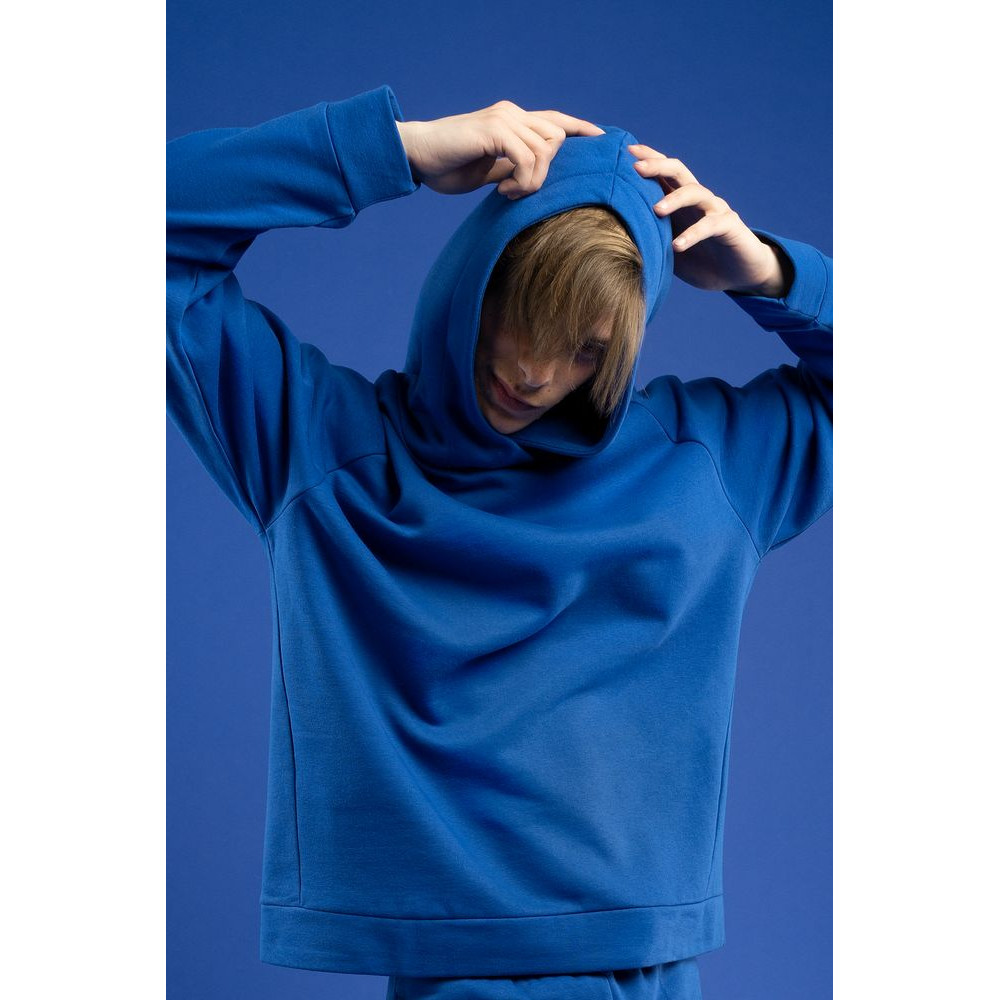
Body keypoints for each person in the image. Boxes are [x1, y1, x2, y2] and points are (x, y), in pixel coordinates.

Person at [167, 84, 832, 1000]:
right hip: (460, 974)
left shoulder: (702, 468)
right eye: (523, 313)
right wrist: (395, 149)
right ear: (474, 278)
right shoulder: (321, 451)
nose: (533, 371)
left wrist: (770, 272)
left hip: (648, 968)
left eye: (585, 349)